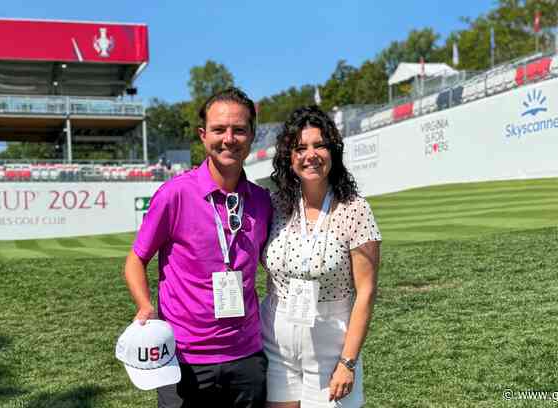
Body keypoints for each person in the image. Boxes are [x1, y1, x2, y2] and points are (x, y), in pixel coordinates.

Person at [123, 87, 273, 408]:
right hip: (184, 358)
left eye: (239, 130)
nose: (229, 139)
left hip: (247, 356)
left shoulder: (261, 200)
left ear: (252, 136)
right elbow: (136, 259)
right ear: (204, 136)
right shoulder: (174, 194)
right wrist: (144, 304)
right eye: (219, 130)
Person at [261, 105, 381, 407]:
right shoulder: (275, 206)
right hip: (275, 341)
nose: (310, 155)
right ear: (289, 158)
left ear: (333, 152)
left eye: (319, 145)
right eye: (300, 148)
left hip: (332, 345)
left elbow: (366, 292)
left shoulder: (355, 209)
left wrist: (348, 362)